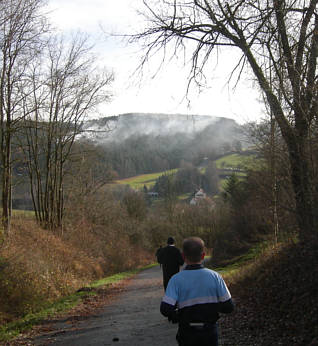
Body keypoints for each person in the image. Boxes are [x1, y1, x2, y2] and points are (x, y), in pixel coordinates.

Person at [160, 237, 234, 346]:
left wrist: (177, 315)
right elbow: (229, 307)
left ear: (184, 256)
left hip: (187, 332)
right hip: (209, 331)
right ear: (203, 255)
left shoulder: (176, 280)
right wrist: (213, 307)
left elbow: (165, 309)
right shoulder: (215, 277)